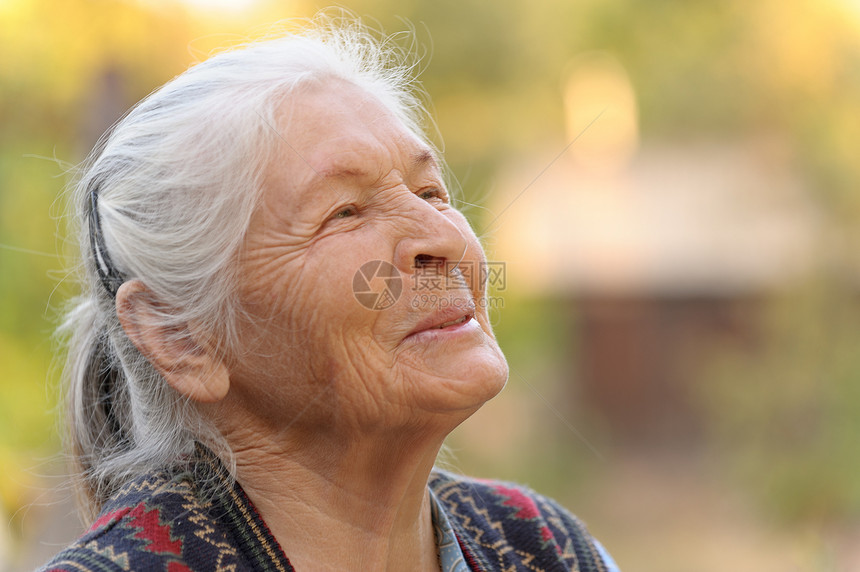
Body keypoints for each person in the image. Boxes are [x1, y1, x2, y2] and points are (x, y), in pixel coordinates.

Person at [42, 16, 619, 572]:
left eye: (432, 193)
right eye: (345, 213)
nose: (442, 237)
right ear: (182, 337)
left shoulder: (545, 547)